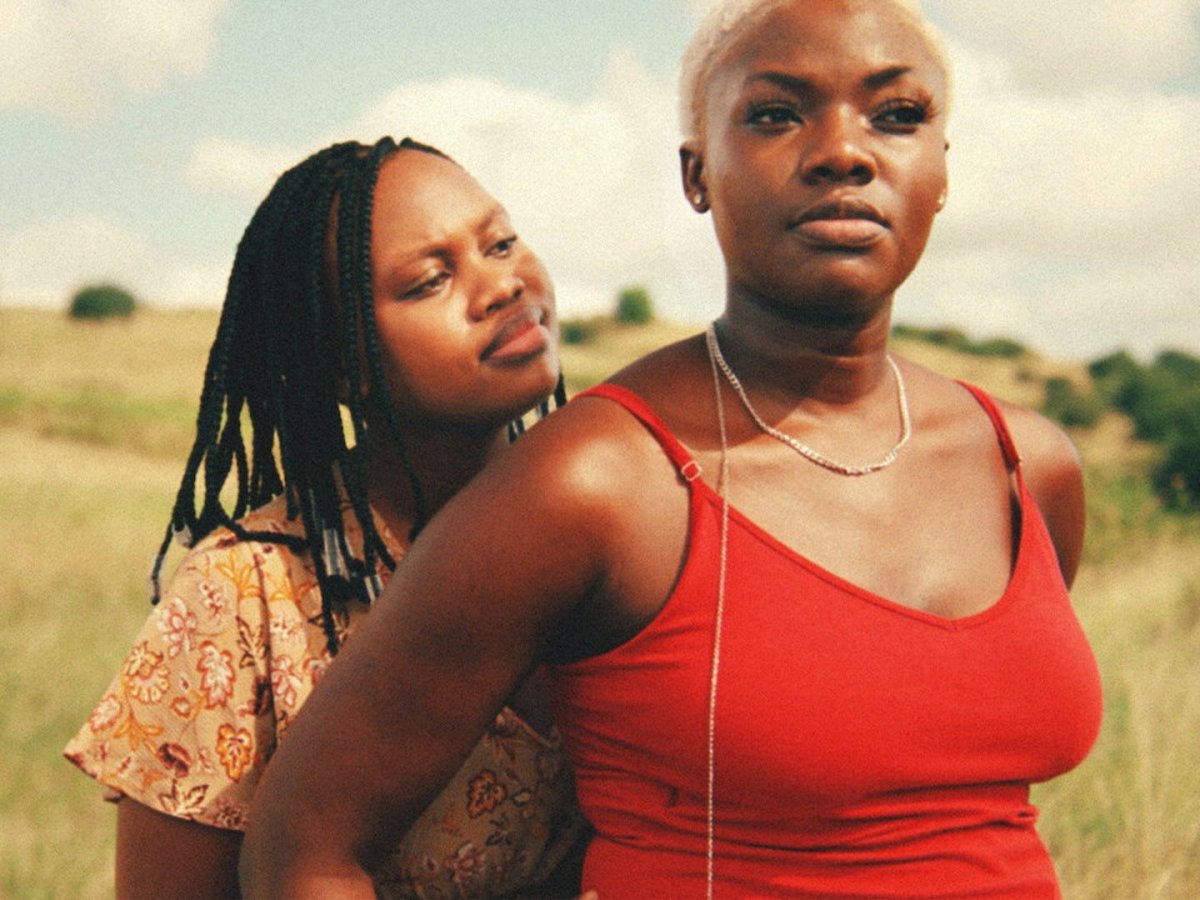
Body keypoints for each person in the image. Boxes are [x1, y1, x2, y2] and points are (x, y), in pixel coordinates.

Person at [239, 2, 1103, 897]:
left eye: (897, 115)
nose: (846, 151)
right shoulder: (600, 483)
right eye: (776, 113)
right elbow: (303, 847)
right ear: (698, 174)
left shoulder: (1027, 466)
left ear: (942, 171)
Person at [64, 136, 589, 899]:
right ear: (342, 363)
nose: (500, 285)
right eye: (430, 281)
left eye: (500, 242)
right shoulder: (245, 595)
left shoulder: (623, 519)